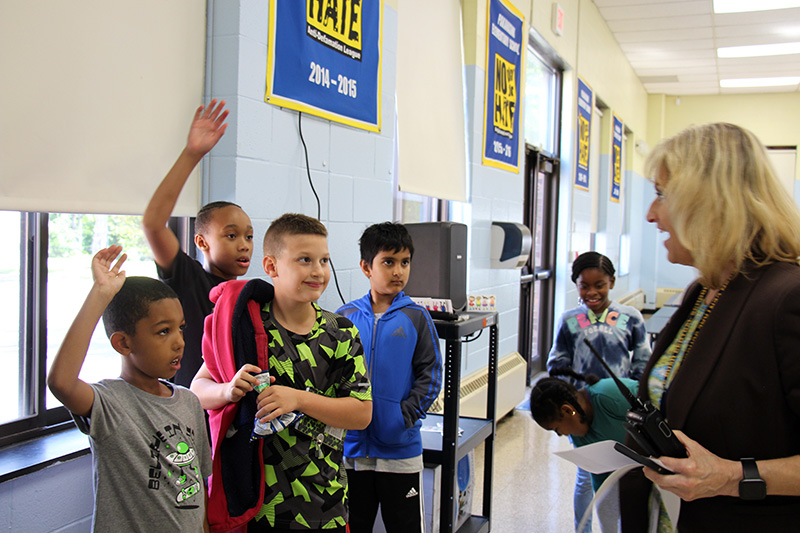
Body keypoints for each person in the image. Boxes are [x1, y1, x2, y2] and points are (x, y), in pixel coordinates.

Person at [620, 123, 800, 532]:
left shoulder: (786, 298)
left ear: (708, 201)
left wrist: (730, 476)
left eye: (662, 195)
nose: (651, 214)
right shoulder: (703, 291)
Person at [191, 213, 373, 532]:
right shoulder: (246, 329)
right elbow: (198, 389)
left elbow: (361, 413)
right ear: (272, 267)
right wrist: (227, 390)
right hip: (260, 509)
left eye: (324, 260)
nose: (318, 271)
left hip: (324, 503)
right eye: (305, 259)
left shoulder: (341, 332)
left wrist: (298, 400)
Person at [47, 246, 211, 532]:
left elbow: (198, 497)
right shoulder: (111, 403)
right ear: (123, 343)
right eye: (163, 331)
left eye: (181, 328)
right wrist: (100, 294)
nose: (179, 342)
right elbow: (61, 382)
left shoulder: (188, 401)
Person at [336, 222, 443, 533]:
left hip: (400, 451)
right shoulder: (346, 317)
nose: (398, 271)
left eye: (405, 262)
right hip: (353, 453)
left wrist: (404, 416)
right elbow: (335, 376)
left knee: (404, 526)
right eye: (388, 262)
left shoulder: (417, 317)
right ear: (366, 267)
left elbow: (430, 373)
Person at [143, 99, 254, 388]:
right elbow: (153, 223)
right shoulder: (188, 279)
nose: (244, 245)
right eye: (231, 236)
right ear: (202, 241)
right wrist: (193, 153)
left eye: (249, 236)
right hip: (192, 409)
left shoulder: (250, 292)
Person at [547, 250, 651, 532]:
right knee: (587, 475)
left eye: (599, 285)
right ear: (576, 285)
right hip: (584, 415)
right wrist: (572, 391)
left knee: (625, 474)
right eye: (584, 286)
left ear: (612, 283)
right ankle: (583, 528)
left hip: (621, 412)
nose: (591, 292)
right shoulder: (570, 319)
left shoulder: (630, 317)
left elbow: (644, 362)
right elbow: (556, 361)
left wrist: (635, 400)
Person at [531, 368, 637, 532]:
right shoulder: (580, 438)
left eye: (557, 429)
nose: (560, 435)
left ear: (568, 410)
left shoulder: (608, 396)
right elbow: (601, 478)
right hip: (625, 473)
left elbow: (659, 406)